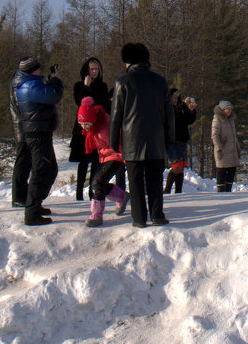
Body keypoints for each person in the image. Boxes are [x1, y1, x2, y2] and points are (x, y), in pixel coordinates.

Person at [110, 42, 173, 227]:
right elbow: (169, 114)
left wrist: (114, 141)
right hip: (156, 139)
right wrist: (169, 139)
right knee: (155, 178)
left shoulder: (122, 81)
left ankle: (139, 219)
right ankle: (157, 215)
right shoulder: (160, 81)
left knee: (135, 181)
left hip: (132, 141)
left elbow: (116, 115)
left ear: (128, 61)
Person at [9, 56, 63, 226]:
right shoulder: (28, 85)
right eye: (37, 69)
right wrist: (56, 81)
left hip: (40, 131)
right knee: (41, 170)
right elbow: (53, 96)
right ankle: (31, 212)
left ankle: (35, 203)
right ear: (31, 71)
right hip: (36, 133)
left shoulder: (29, 83)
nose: (40, 71)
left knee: (49, 169)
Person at [78, 95, 127, 226]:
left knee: (98, 182)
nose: (85, 128)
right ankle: (122, 197)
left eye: (86, 125)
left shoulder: (104, 130)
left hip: (116, 156)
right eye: (82, 125)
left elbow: (119, 143)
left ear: (92, 120)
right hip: (106, 156)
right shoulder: (96, 125)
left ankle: (96, 215)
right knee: (97, 183)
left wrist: (126, 158)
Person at [69, 58, 108, 201]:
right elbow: (78, 101)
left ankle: (93, 190)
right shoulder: (79, 85)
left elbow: (101, 102)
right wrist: (86, 87)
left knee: (97, 161)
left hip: (98, 127)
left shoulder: (102, 86)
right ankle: (79, 192)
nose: (94, 72)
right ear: (86, 71)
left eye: (96, 69)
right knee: (83, 161)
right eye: (92, 69)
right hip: (83, 129)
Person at [163, 89, 197, 194]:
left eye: (176, 98)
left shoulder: (181, 108)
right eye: (173, 98)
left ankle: (178, 190)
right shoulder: (167, 109)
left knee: (181, 167)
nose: (175, 100)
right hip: (172, 141)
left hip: (182, 140)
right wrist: (183, 105)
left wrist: (191, 110)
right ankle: (167, 189)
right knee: (176, 165)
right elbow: (173, 117)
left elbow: (189, 120)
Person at [211, 100, 238, 193]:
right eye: (227, 109)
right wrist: (218, 148)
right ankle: (221, 193)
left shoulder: (231, 119)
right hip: (223, 150)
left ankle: (228, 192)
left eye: (230, 109)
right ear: (222, 110)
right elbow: (214, 135)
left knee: (231, 171)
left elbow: (234, 135)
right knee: (221, 171)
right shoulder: (217, 119)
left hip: (232, 150)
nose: (229, 110)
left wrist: (237, 147)